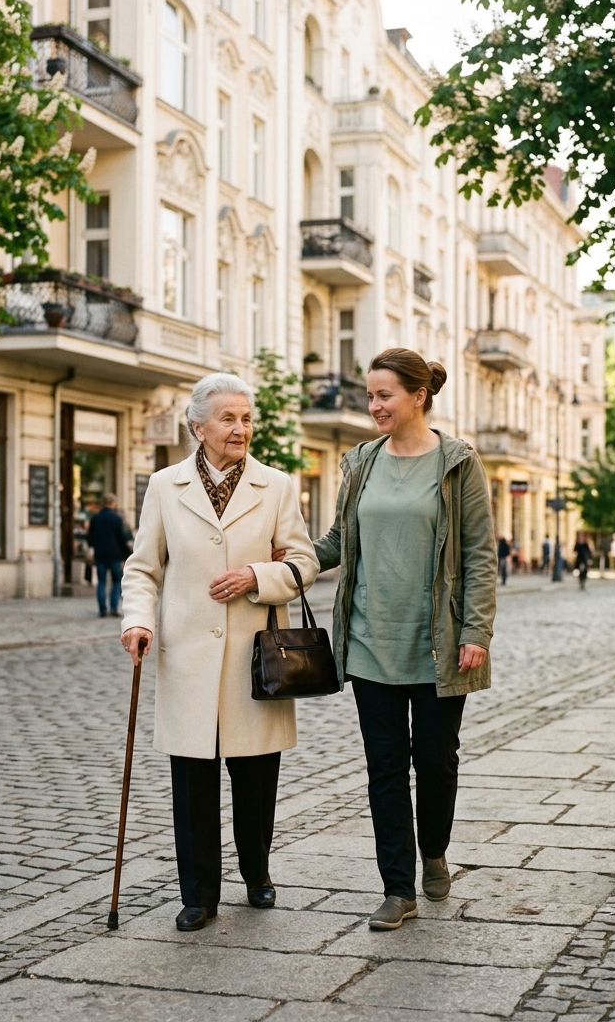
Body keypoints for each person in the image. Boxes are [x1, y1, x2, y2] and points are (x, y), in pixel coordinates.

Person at [120, 373, 318, 933]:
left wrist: (258, 575)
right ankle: (199, 895)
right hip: (187, 655)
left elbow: (304, 562)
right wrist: (137, 621)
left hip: (256, 659)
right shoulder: (165, 486)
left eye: (247, 418)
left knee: (256, 779)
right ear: (198, 426)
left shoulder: (276, 486)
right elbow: (143, 568)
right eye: (228, 419)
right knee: (193, 785)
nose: (240, 429)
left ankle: (257, 874)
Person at [314, 348, 497, 931]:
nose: (374, 406)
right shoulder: (361, 462)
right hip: (370, 639)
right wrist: (286, 558)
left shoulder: (457, 462)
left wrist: (476, 630)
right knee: (385, 767)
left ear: (419, 396)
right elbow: (340, 538)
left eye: (384, 395)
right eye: (370, 396)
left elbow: (478, 554)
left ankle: (435, 850)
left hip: (439, 641)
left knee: (437, 761)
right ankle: (398, 887)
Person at [86, 494, 132, 617]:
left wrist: (93, 548)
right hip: (114, 555)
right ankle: (113, 608)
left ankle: (102, 610)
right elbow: (121, 538)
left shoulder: (95, 518)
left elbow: (90, 538)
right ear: (113, 503)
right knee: (116, 581)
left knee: (101, 582)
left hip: (100, 554)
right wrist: (125, 554)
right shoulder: (117, 518)